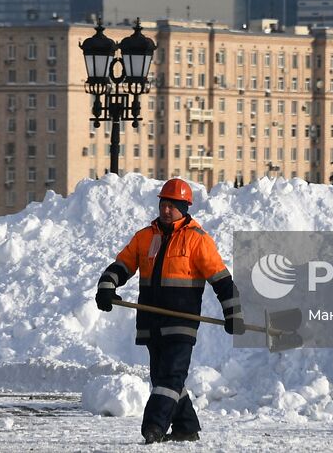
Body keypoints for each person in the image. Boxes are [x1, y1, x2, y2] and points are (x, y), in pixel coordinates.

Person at [96, 177, 245, 444]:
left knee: (171, 376)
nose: (166, 210)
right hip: (151, 321)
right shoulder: (145, 237)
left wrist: (233, 313)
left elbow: (222, 280)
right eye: (164, 204)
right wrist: (107, 286)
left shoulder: (198, 240)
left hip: (181, 323)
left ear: (185, 208)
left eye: (172, 205)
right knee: (163, 378)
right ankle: (186, 427)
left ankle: (154, 426)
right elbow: (123, 264)